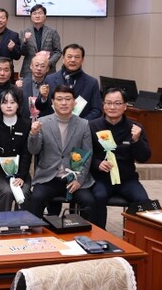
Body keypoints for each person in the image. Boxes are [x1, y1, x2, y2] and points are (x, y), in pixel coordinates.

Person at [28, 85, 95, 222]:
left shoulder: (83, 124)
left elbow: (87, 154)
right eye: (59, 99)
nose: (64, 103)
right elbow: (33, 151)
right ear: (53, 102)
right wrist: (33, 134)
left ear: (74, 102)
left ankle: (84, 233)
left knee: (89, 202)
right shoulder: (43, 122)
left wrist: (79, 179)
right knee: (36, 198)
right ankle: (36, 232)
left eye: (68, 99)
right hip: (49, 177)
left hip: (73, 177)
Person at [89, 88, 151, 229]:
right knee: (97, 197)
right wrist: (97, 164)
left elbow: (144, 157)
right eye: (108, 103)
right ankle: (98, 234)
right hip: (101, 178)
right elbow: (84, 154)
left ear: (125, 106)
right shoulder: (92, 126)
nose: (112, 107)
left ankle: (133, 235)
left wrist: (137, 140)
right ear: (103, 105)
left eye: (117, 103)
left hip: (126, 179)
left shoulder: (135, 128)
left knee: (143, 200)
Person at [0, 90, 32, 211]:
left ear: (18, 105)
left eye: (12, 102)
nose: (9, 106)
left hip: (20, 171)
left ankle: (22, 222)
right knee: (6, 192)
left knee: (24, 192)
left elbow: (27, 153)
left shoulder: (26, 124)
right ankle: (3, 221)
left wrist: (21, 176)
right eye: (4, 103)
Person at [36, 44, 102, 120]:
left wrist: (81, 124)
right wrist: (43, 97)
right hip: (54, 125)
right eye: (69, 56)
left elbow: (97, 111)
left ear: (82, 60)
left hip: (81, 126)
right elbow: (40, 107)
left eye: (77, 57)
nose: (73, 60)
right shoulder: (50, 79)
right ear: (63, 59)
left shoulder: (92, 83)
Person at [19, 4, 62, 78]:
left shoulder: (52, 31)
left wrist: (48, 63)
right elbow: (22, 52)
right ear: (31, 16)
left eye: (40, 13)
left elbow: (58, 51)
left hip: (48, 70)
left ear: (45, 16)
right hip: (29, 70)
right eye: (34, 13)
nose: (37, 16)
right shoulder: (24, 32)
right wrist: (25, 41)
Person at [17, 54, 52, 119]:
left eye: (42, 66)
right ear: (31, 66)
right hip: (25, 121)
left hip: (45, 121)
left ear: (47, 69)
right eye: (36, 65)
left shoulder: (51, 84)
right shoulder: (21, 84)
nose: (39, 68)